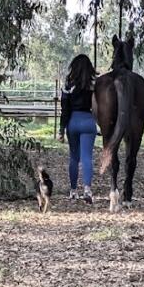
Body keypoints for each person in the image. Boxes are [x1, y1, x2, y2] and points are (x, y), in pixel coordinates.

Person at [58, 54, 97, 204]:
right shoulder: (94, 84)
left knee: (74, 157)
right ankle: (87, 189)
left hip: (73, 122)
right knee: (87, 157)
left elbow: (64, 109)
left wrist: (62, 130)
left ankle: (73, 191)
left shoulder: (68, 84)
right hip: (88, 122)